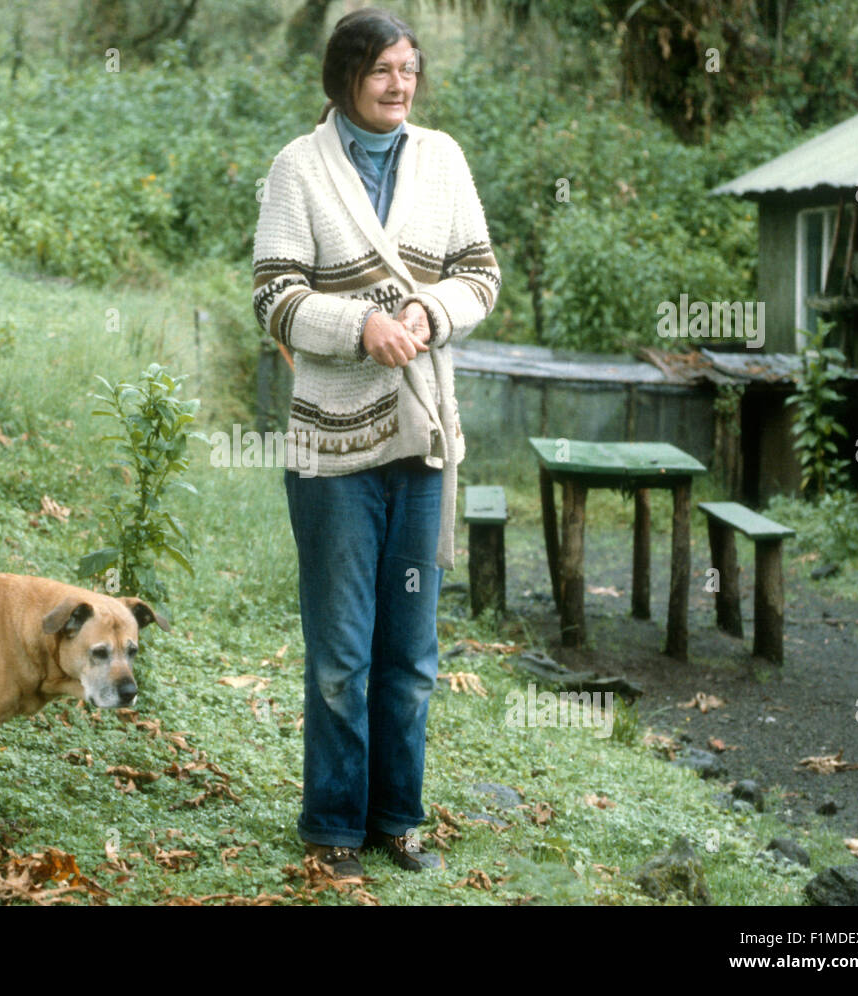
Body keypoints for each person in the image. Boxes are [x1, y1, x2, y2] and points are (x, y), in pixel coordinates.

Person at [251, 6, 501, 877]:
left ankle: (399, 818)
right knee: (341, 653)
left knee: (412, 649)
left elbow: (480, 273)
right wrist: (361, 325)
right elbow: (274, 296)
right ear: (345, 78)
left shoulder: (443, 161)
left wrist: (431, 311)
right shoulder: (298, 168)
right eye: (383, 70)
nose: (399, 85)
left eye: (410, 70)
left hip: (422, 437)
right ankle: (331, 828)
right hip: (335, 449)